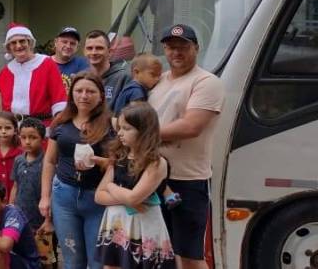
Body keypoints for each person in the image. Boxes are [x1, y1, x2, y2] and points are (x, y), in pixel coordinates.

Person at [149, 24, 224, 269]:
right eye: (171, 47)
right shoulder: (158, 80)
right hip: (153, 178)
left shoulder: (207, 82)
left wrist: (140, 135)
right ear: (164, 49)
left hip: (187, 181)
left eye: (183, 46)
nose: (176, 52)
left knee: (190, 256)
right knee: (159, 252)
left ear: (196, 48)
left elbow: (192, 127)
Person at [39, 73, 114, 269]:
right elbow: (50, 161)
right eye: (79, 90)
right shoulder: (60, 121)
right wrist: (45, 197)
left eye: (90, 91)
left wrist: (101, 162)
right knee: (72, 260)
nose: (84, 96)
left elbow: (119, 164)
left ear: (101, 96)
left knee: (97, 262)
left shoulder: (111, 125)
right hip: (64, 195)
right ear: (71, 94)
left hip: (97, 198)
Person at [94, 103, 175, 269]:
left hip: (142, 225)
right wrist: (125, 197)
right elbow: (99, 196)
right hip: (116, 224)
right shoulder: (119, 157)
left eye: (126, 128)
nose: (120, 133)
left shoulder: (156, 163)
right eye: (119, 128)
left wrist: (111, 187)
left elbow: (133, 198)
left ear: (144, 131)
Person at [0, 23, 67, 125]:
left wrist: (58, 127)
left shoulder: (47, 64)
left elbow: (59, 98)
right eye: (13, 43)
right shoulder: (6, 72)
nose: (18, 46)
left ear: (29, 42)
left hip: (41, 128)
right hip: (13, 129)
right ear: (9, 47)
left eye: (22, 41)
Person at [9, 118, 54, 268]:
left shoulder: (47, 163)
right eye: (23, 137)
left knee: (45, 258)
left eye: (33, 137)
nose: (27, 141)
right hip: (20, 218)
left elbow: (51, 192)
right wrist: (10, 208)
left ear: (42, 139)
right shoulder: (18, 160)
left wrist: (48, 220)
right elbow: (15, 186)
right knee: (21, 255)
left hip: (40, 220)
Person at [83, 30, 133, 113]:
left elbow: (132, 112)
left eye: (99, 48)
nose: (93, 52)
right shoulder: (81, 78)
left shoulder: (124, 78)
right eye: (89, 48)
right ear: (84, 52)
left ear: (110, 52)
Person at [50, 27, 89, 92]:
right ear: (56, 42)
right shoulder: (44, 63)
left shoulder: (84, 64)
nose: (68, 46)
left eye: (72, 43)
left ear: (77, 47)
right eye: (64, 42)